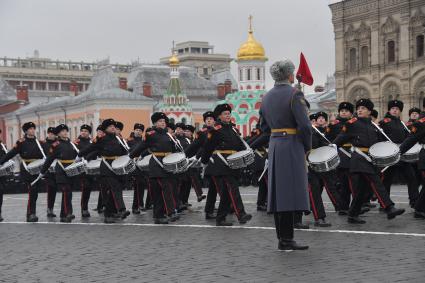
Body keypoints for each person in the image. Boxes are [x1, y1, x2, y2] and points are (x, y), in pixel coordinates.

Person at [259, 59, 311, 251]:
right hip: (291, 144)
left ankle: (282, 237)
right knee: (289, 192)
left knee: (278, 193)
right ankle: (287, 239)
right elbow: (305, 126)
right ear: (290, 75)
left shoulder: (266, 97)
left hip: (275, 145)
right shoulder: (294, 94)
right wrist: (307, 146)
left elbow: (263, 127)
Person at [333, 98, 405, 224]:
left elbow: (380, 142)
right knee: (375, 181)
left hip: (370, 159)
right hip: (359, 159)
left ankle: (352, 215)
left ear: (369, 111)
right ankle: (389, 207)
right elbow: (341, 138)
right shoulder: (352, 123)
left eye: (363, 109)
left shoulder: (373, 126)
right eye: (359, 108)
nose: (360, 110)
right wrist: (332, 147)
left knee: (361, 189)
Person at [201, 103, 252, 226]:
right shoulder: (216, 129)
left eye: (229, 113)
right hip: (221, 163)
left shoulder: (233, 129)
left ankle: (220, 218)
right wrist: (204, 160)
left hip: (233, 163)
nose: (228, 115)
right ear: (219, 116)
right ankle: (241, 214)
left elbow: (239, 145)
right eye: (225, 114)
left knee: (226, 193)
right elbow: (208, 146)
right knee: (233, 188)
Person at [78, 119, 130, 223]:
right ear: (105, 129)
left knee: (113, 191)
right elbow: (91, 148)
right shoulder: (101, 139)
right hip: (107, 168)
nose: (113, 128)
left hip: (117, 167)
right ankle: (122, 209)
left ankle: (108, 214)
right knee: (115, 188)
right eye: (110, 126)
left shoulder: (118, 139)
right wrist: (80, 155)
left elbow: (125, 151)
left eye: (114, 126)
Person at [130, 112, 179, 224]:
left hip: (167, 164)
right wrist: (131, 156)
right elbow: (142, 146)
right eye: (160, 121)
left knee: (158, 192)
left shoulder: (168, 135)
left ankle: (158, 216)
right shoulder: (151, 134)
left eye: (164, 121)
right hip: (156, 165)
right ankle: (171, 212)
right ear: (155, 123)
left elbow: (174, 149)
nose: (162, 123)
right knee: (165, 188)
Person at [0, 122, 45, 222]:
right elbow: (11, 153)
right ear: (26, 131)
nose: (32, 130)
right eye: (30, 129)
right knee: (32, 190)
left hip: (37, 169)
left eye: (33, 128)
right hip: (27, 169)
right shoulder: (21, 142)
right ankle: (31, 214)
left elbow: (46, 154)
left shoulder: (39, 142)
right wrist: (1, 162)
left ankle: (31, 213)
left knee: (35, 192)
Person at [379, 100, 419, 208]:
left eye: (397, 109)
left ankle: (414, 201)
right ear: (389, 110)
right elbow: (379, 137)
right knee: (387, 179)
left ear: (400, 111)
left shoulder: (402, 123)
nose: (395, 110)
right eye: (393, 108)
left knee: (411, 177)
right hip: (390, 154)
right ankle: (384, 203)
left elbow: (408, 137)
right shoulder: (384, 122)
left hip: (401, 154)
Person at [40, 124, 80, 223]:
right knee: (67, 192)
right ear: (58, 133)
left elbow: (78, 154)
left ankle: (63, 215)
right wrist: (42, 171)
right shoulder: (55, 145)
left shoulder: (72, 144)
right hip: (61, 171)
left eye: (66, 131)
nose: (65, 132)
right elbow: (49, 159)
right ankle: (68, 213)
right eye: (62, 131)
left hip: (71, 171)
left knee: (68, 193)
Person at [326, 102, 355, 214]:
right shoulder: (333, 124)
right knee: (343, 184)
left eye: (346, 111)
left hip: (354, 154)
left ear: (351, 113)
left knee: (355, 183)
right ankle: (343, 207)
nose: (343, 112)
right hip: (340, 155)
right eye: (342, 110)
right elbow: (328, 140)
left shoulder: (354, 123)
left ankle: (356, 206)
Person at [74, 124, 94, 218]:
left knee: (89, 188)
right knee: (86, 187)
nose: (83, 132)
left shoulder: (92, 142)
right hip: (81, 168)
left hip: (91, 167)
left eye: (85, 131)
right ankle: (84, 209)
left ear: (89, 133)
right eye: (82, 130)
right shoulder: (76, 143)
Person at [42, 127, 58, 218]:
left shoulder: (58, 143)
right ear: (48, 134)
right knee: (51, 189)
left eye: (53, 134)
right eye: (50, 133)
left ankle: (52, 208)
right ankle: (49, 209)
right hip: (48, 170)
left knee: (55, 189)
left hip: (57, 169)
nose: (51, 135)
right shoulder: (43, 144)